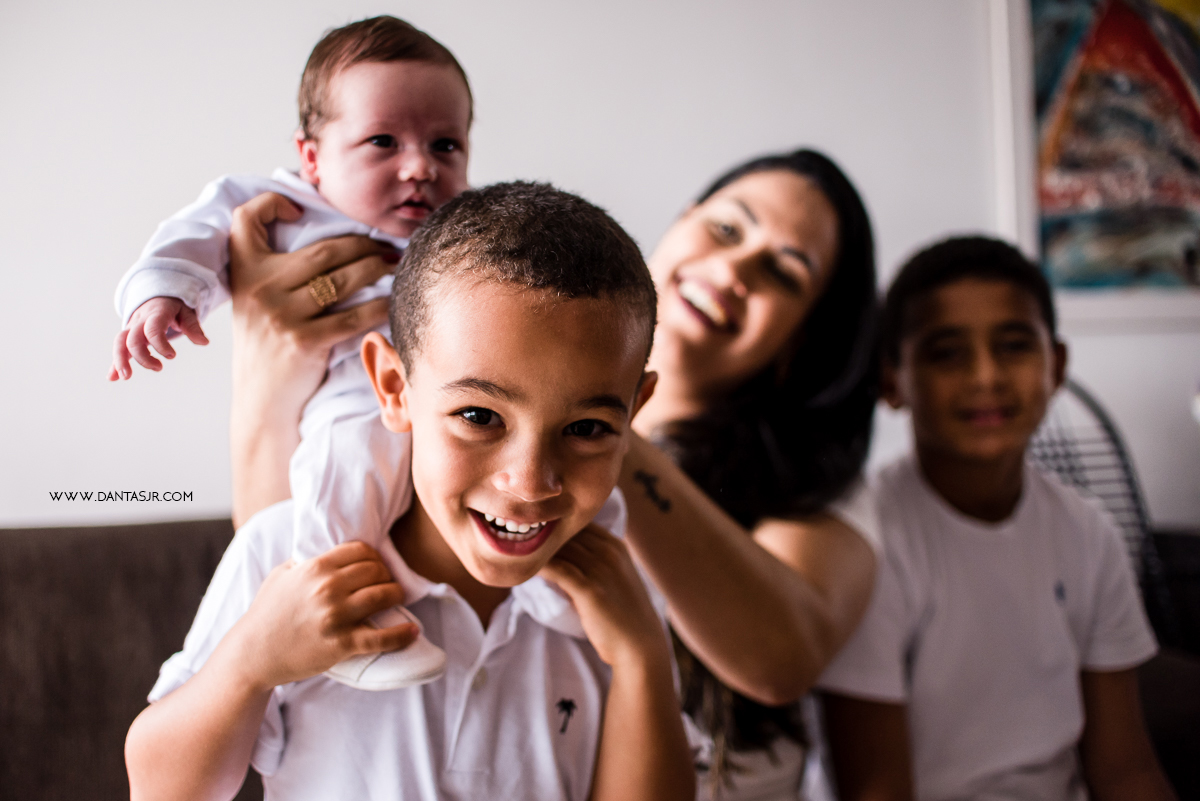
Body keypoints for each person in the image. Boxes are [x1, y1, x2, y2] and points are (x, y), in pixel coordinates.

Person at [224, 148, 883, 799]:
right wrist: (265, 367)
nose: (735, 268)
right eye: (728, 228)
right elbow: (290, 565)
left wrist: (590, 418)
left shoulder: (824, 490)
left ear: (806, 338)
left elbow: (780, 657)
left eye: (783, 271)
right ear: (683, 219)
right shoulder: (419, 438)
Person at [125, 182, 694, 801]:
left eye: (586, 429)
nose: (530, 482)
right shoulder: (286, 557)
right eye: (479, 416)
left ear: (635, 411)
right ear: (394, 388)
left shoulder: (620, 598)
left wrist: (641, 659)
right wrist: (249, 666)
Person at [109, 15, 475, 688]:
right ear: (312, 157)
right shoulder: (282, 207)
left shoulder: (468, 226)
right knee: (351, 461)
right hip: (347, 392)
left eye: (445, 144)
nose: (420, 166)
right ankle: (350, 621)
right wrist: (161, 298)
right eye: (383, 141)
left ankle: (547, 587)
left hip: (448, 398)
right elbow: (190, 239)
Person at [818, 237, 1176, 801]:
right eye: (946, 353)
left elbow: (1125, 770)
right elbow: (876, 789)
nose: (985, 376)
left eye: (1013, 346)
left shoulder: (1088, 533)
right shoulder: (864, 545)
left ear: (1056, 366)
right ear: (891, 381)